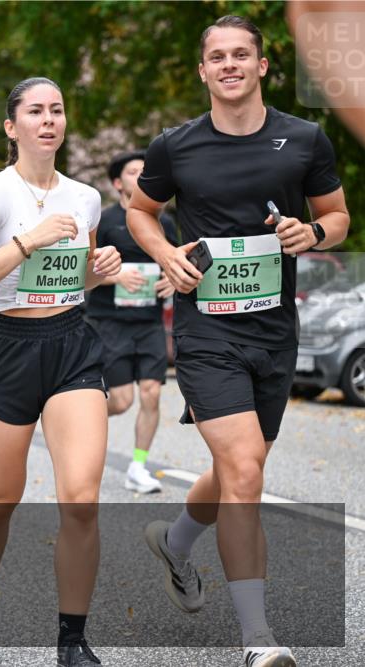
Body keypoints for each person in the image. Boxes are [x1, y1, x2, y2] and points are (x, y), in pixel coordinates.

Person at [127, 16, 349, 667]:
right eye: (216, 56)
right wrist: (167, 255)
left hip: (274, 332)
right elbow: (142, 212)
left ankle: (175, 541)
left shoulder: (304, 138)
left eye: (240, 54)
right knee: (246, 467)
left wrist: (315, 234)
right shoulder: (176, 145)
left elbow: (336, 215)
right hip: (206, 330)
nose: (228, 64)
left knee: (235, 470)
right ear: (203, 71)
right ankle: (258, 638)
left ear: (260, 66)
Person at [0, 76, 121, 667]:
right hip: (11, 347)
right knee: (0, 499)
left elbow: (75, 280)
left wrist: (101, 266)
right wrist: (26, 241)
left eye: (57, 110)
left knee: (81, 499)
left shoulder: (85, 197)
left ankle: (72, 640)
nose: (49, 120)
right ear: (12, 127)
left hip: (73, 344)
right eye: (36, 111)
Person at [85, 150, 179, 494]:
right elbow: (85, 271)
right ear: (116, 182)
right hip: (110, 322)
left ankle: (138, 466)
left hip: (150, 322)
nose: (140, 176)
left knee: (151, 394)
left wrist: (173, 279)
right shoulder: (106, 221)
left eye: (145, 171)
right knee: (121, 401)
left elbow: (178, 262)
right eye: (132, 171)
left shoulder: (163, 223)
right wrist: (116, 276)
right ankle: (76, 420)